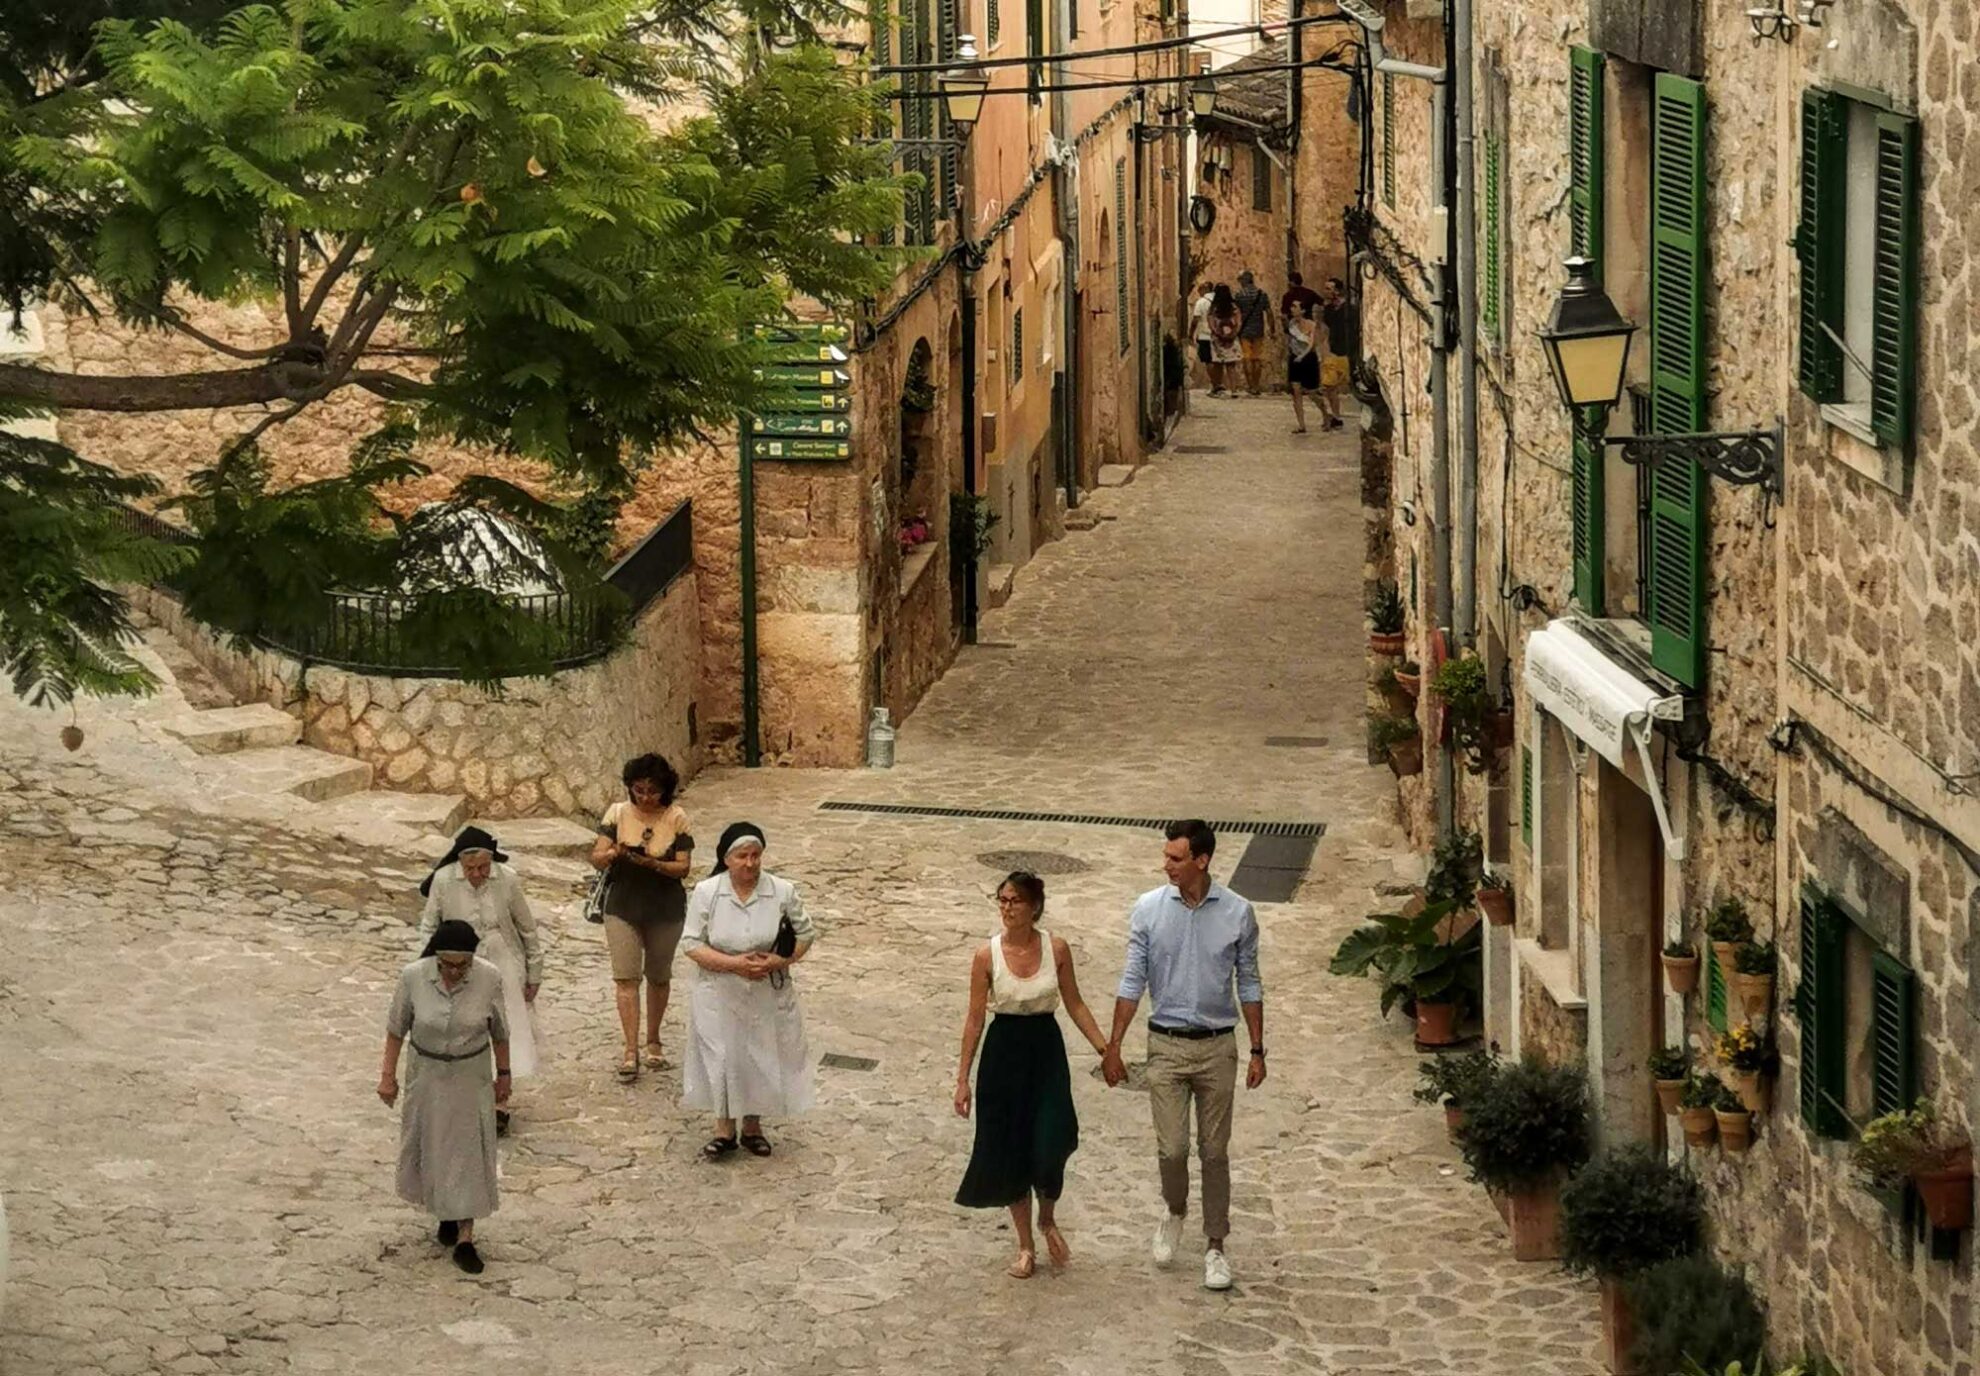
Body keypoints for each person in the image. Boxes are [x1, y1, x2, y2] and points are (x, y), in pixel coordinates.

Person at [1102, 820, 1264, 1293]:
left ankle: (1216, 1244)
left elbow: (1249, 983)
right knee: (1172, 1147)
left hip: (1217, 1045)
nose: (1165, 865)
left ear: (1201, 861)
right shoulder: (1148, 910)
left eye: (1175, 858)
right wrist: (1114, 1045)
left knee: (1214, 1152)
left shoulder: (1238, 914)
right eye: (1166, 856)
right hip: (1166, 1045)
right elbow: (1132, 979)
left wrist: (1257, 1049)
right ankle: (1175, 1209)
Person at [953, 872, 1111, 1280]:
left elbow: (1074, 1003)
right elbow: (974, 1020)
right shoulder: (986, 956)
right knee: (1011, 1148)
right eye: (1002, 900)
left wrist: (1104, 1048)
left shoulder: (1055, 948)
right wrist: (962, 1077)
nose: (1007, 908)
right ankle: (1025, 1244)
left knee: (1051, 1138)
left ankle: (1048, 1217)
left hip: (1045, 1050)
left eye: (1016, 901)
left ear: (1034, 906)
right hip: (1003, 1054)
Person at [378, 919, 511, 1276]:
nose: (453, 973)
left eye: (461, 965)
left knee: (468, 1152)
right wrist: (387, 1078)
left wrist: (505, 1077)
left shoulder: (489, 978)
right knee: (435, 1147)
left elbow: (499, 1031)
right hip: (428, 1075)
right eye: (446, 965)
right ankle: (445, 1213)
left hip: (471, 1076)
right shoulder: (412, 977)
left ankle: (466, 1236)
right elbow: (396, 1029)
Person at [682, 823, 816, 1159]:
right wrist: (733, 964)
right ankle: (723, 1128)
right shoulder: (707, 892)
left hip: (765, 991)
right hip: (718, 991)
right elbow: (691, 942)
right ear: (727, 859)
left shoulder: (782, 891)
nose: (750, 863)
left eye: (756, 856)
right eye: (742, 856)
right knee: (723, 1056)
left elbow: (805, 933)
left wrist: (778, 961)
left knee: (760, 1053)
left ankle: (752, 1126)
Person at [417, 827, 544, 1136]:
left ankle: (501, 1101)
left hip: (502, 961)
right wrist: (428, 968)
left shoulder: (507, 879)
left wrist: (534, 971)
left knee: (505, 1027)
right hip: (459, 963)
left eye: (483, 868)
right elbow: (429, 925)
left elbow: (526, 927)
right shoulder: (445, 881)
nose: (476, 874)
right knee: (464, 1027)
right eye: (470, 868)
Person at [589, 753, 694, 1082]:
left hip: (665, 907)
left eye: (652, 790)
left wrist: (655, 864)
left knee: (659, 975)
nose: (646, 797)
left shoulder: (677, 818)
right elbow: (597, 855)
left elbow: (684, 866)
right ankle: (630, 1049)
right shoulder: (617, 813)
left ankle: (654, 1040)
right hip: (623, 904)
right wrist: (611, 854)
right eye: (639, 790)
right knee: (625, 977)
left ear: (665, 789)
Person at [1281, 272, 1322, 434]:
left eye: (1295, 307)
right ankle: (1301, 424)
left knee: (1312, 392)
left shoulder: (1311, 325)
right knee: (1296, 390)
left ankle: (1325, 413)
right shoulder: (1292, 323)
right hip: (1295, 358)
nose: (1292, 309)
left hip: (1307, 358)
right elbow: (1321, 302)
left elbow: (1311, 343)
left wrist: (1302, 355)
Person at [1319, 276, 1359, 431]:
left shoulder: (1350, 309)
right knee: (1329, 386)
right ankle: (1336, 416)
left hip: (1348, 352)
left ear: (1337, 291)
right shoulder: (1328, 310)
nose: (1326, 291)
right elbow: (1326, 329)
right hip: (1333, 352)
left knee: (1350, 386)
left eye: (1329, 288)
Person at [1232, 270, 1271, 396]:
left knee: (1247, 358)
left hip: (1244, 330)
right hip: (1258, 329)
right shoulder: (1262, 294)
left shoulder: (1239, 295)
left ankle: (1250, 385)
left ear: (1244, 280)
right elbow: (1269, 312)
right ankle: (1256, 385)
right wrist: (1272, 328)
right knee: (1257, 358)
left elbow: (1236, 313)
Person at [1207, 284, 1242, 397]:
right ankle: (1234, 389)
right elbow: (1238, 322)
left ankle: (1218, 387)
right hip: (1231, 338)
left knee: (1218, 364)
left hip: (1218, 338)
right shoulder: (1234, 307)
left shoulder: (1214, 308)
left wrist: (1218, 333)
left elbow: (1211, 323)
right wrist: (1233, 333)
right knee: (1231, 365)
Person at [1190, 281, 1216, 387]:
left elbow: (1195, 319)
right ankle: (1219, 382)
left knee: (1208, 360)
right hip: (1220, 334)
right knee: (1219, 360)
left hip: (1205, 334)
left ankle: (1215, 383)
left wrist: (1191, 333)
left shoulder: (1201, 302)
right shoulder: (1220, 300)